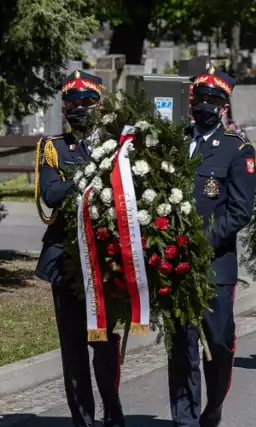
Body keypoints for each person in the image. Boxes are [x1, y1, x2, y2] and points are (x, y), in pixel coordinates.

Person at [34, 70, 125, 427]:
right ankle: (82, 419)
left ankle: (113, 411)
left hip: (104, 259)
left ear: (99, 106)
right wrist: (88, 176)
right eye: (73, 103)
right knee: (72, 349)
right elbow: (51, 194)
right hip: (64, 261)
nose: (79, 108)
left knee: (103, 344)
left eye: (87, 102)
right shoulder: (54, 148)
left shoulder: (115, 145)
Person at [169, 66, 256, 427]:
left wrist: (200, 242)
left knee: (217, 344)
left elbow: (240, 211)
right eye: (200, 99)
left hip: (215, 265)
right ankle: (184, 419)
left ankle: (213, 406)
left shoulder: (237, 150)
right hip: (174, 263)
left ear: (223, 106)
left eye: (212, 100)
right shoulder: (174, 142)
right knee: (181, 346)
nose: (204, 106)